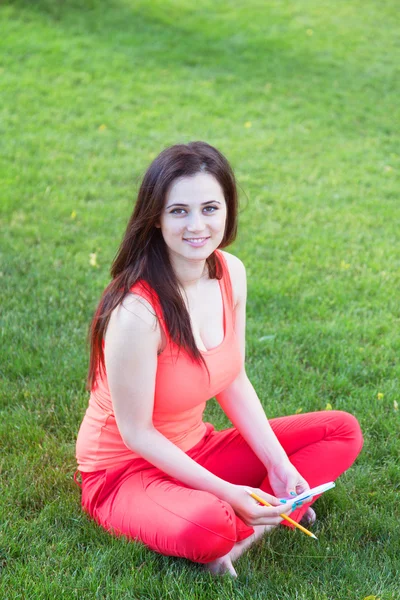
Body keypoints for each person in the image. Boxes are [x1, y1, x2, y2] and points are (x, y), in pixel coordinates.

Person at [75, 141, 363, 577]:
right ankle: (247, 518)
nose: (197, 225)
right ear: (156, 217)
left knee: (341, 431)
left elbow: (232, 379)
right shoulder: (137, 311)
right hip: (124, 472)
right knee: (211, 523)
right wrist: (229, 493)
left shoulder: (231, 273)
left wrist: (277, 464)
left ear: (227, 210)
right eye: (179, 211)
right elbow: (136, 434)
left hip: (197, 448)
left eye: (210, 208)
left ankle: (249, 531)